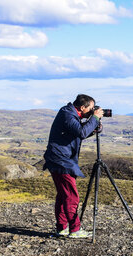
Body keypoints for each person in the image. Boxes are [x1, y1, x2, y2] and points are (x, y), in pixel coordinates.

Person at [43, 94, 104, 238]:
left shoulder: (69, 114)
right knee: (71, 197)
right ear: (82, 107)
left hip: (60, 159)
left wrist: (94, 127)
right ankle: (75, 230)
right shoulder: (67, 114)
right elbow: (81, 132)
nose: (91, 111)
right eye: (90, 108)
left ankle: (62, 228)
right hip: (61, 160)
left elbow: (77, 132)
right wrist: (94, 118)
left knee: (64, 195)